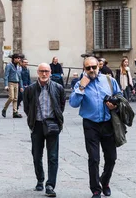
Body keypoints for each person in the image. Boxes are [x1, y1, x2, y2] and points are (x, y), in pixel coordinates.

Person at [70, 56, 122, 198]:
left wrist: (115, 104)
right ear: (84, 69)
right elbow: (73, 103)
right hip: (90, 124)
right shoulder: (80, 83)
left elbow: (120, 96)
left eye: (94, 67)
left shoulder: (109, 81)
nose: (91, 70)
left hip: (108, 123)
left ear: (98, 66)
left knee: (111, 158)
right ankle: (96, 189)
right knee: (93, 158)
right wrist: (81, 87)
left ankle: (105, 181)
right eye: (88, 68)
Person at [23, 63, 65, 198]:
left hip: (52, 124)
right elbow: (26, 107)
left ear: (50, 72)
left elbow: (61, 105)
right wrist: (32, 119)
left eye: (46, 71)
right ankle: (40, 179)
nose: (44, 74)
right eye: (42, 71)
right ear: (38, 72)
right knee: (36, 155)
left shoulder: (58, 88)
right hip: (37, 125)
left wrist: (56, 120)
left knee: (53, 156)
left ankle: (50, 185)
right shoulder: (30, 89)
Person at [2, 54, 24, 118]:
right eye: (18, 58)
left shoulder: (18, 67)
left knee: (15, 99)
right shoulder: (9, 65)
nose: (19, 59)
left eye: (19, 58)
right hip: (10, 82)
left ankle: (15, 112)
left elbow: (20, 77)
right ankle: (4, 109)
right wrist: (6, 85)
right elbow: (6, 76)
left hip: (16, 83)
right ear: (14, 59)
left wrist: (21, 86)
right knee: (11, 97)